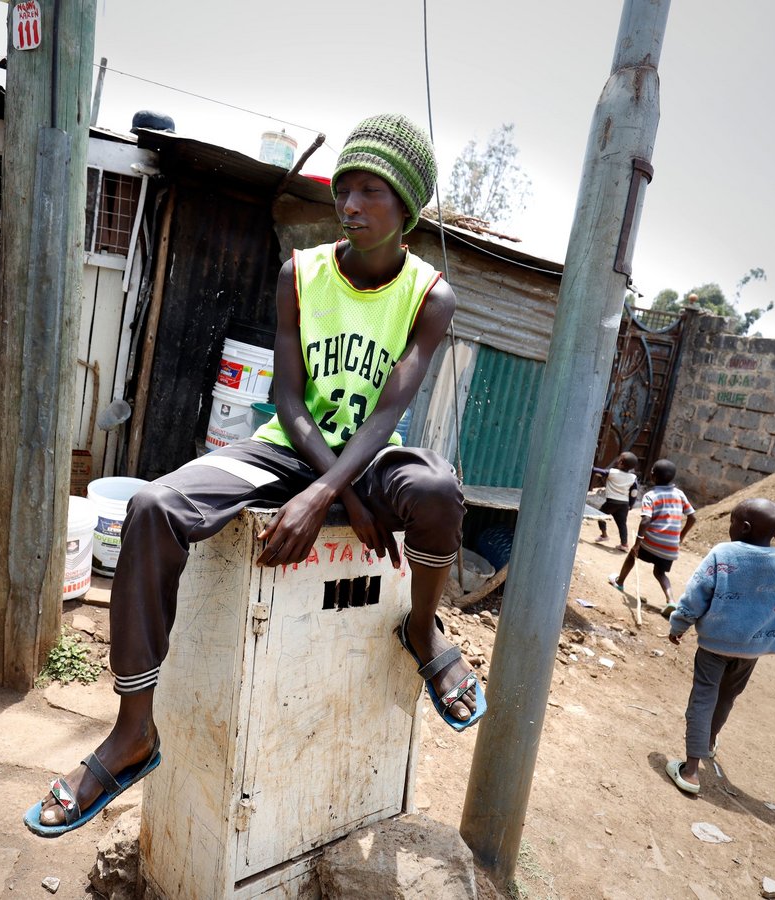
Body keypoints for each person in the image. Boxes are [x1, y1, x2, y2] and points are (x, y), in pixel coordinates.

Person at [25, 114, 484, 836]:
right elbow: (290, 400)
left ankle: (423, 632)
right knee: (153, 505)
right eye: (345, 190)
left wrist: (332, 492)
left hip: (370, 452)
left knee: (435, 491)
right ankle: (133, 730)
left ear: (407, 207)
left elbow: (392, 407)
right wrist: (324, 486)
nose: (351, 207)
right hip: (290, 446)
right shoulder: (299, 274)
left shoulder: (430, 296)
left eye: (371, 193)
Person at [662, 498, 775, 794]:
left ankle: (691, 772)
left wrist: (679, 624)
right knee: (727, 696)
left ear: (742, 527)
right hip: (753, 649)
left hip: (715, 645)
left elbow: (695, 595)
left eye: (731, 521)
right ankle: (709, 742)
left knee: (703, 699)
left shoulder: (725, 553)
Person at [609, 458, 696, 616]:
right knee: (660, 573)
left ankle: (620, 582)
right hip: (670, 547)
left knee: (631, 556)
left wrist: (637, 544)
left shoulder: (651, 496)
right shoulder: (680, 494)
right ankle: (671, 601)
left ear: (652, 475)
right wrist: (680, 537)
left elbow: (646, 519)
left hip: (651, 542)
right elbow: (692, 517)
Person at [592, 451, 639, 551]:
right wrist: (631, 505)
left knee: (600, 516)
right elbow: (634, 492)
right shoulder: (633, 477)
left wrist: (591, 467)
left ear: (621, 463)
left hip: (612, 502)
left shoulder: (612, 472)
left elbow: (598, 472)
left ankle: (604, 535)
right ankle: (624, 544)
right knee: (622, 524)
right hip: (624, 504)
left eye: (619, 458)